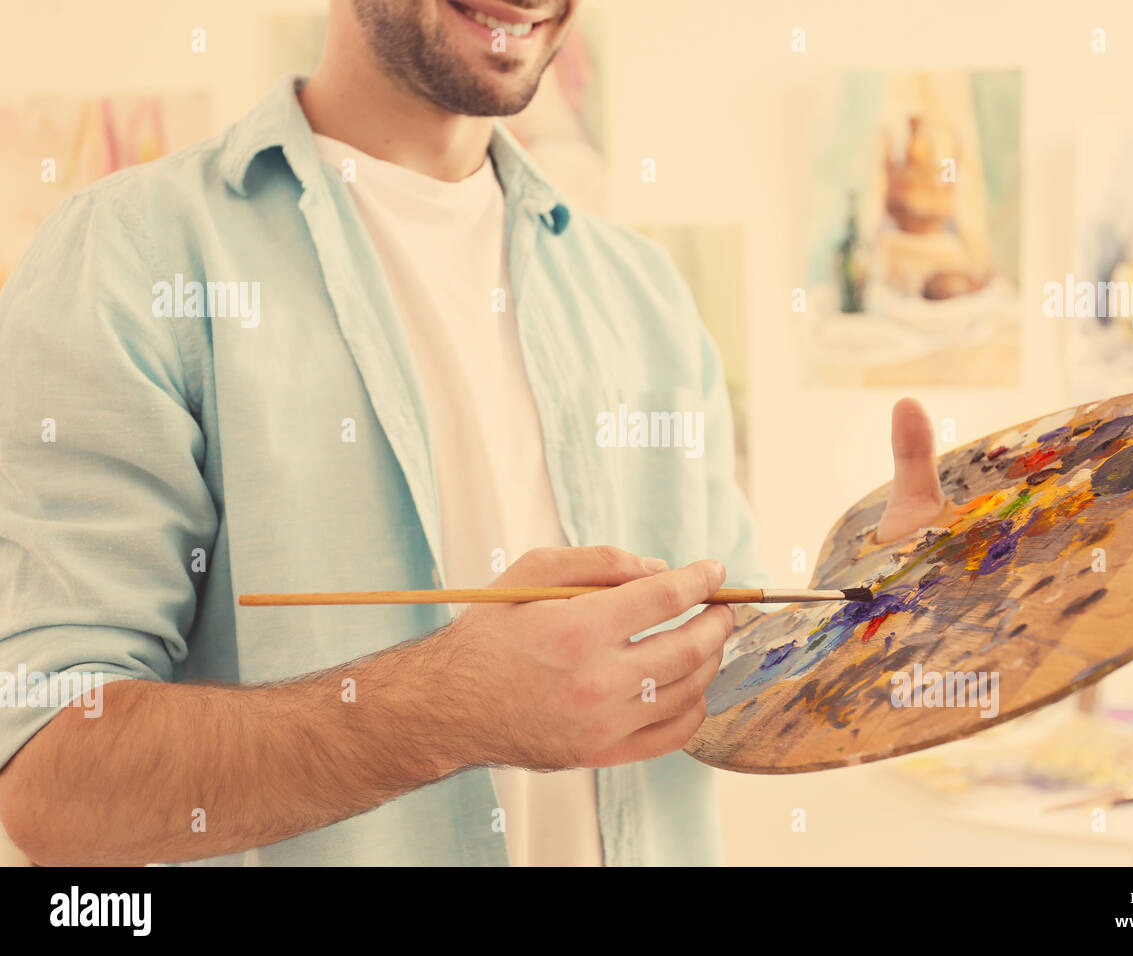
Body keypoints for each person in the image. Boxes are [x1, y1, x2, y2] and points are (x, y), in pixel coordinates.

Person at [0, 0, 945, 866]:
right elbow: (49, 777)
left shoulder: (641, 291)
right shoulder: (130, 258)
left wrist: (886, 607)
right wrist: (452, 708)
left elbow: (736, 683)